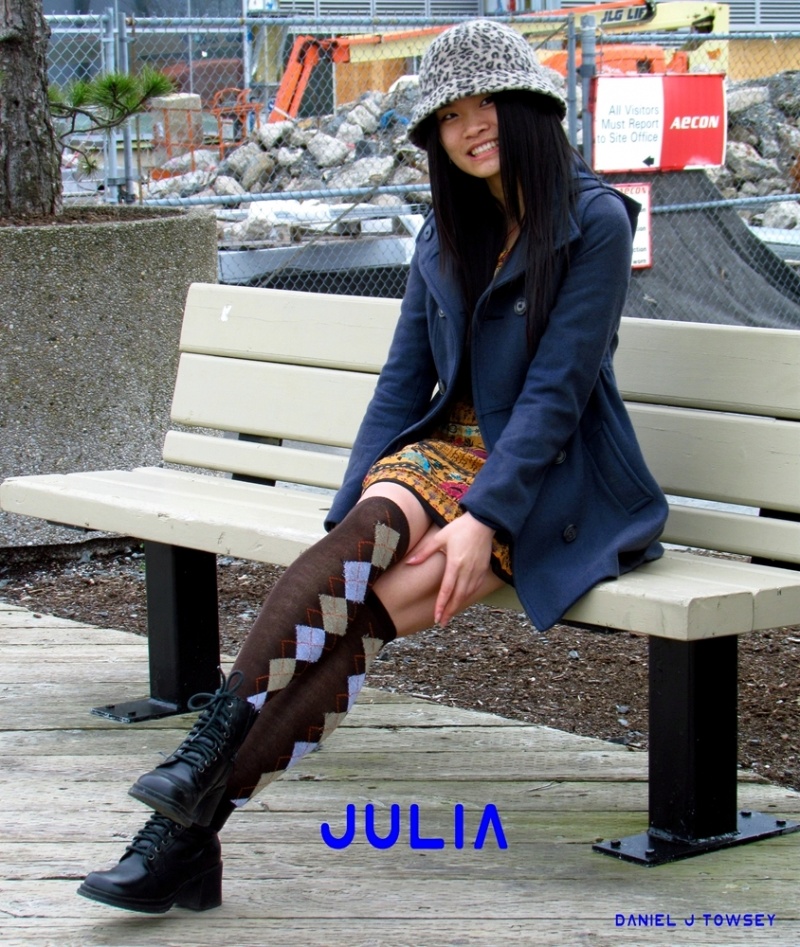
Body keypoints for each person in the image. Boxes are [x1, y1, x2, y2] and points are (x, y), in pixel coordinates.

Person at [78, 19, 668, 914]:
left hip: (546, 476)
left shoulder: (591, 221)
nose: (474, 127)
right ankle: (200, 768)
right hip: (447, 452)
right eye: (453, 116)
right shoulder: (446, 230)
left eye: (489, 105)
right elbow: (402, 382)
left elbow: (557, 393)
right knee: (361, 536)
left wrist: (487, 521)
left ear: (531, 106)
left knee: (364, 623)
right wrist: (347, 518)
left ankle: (182, 837)